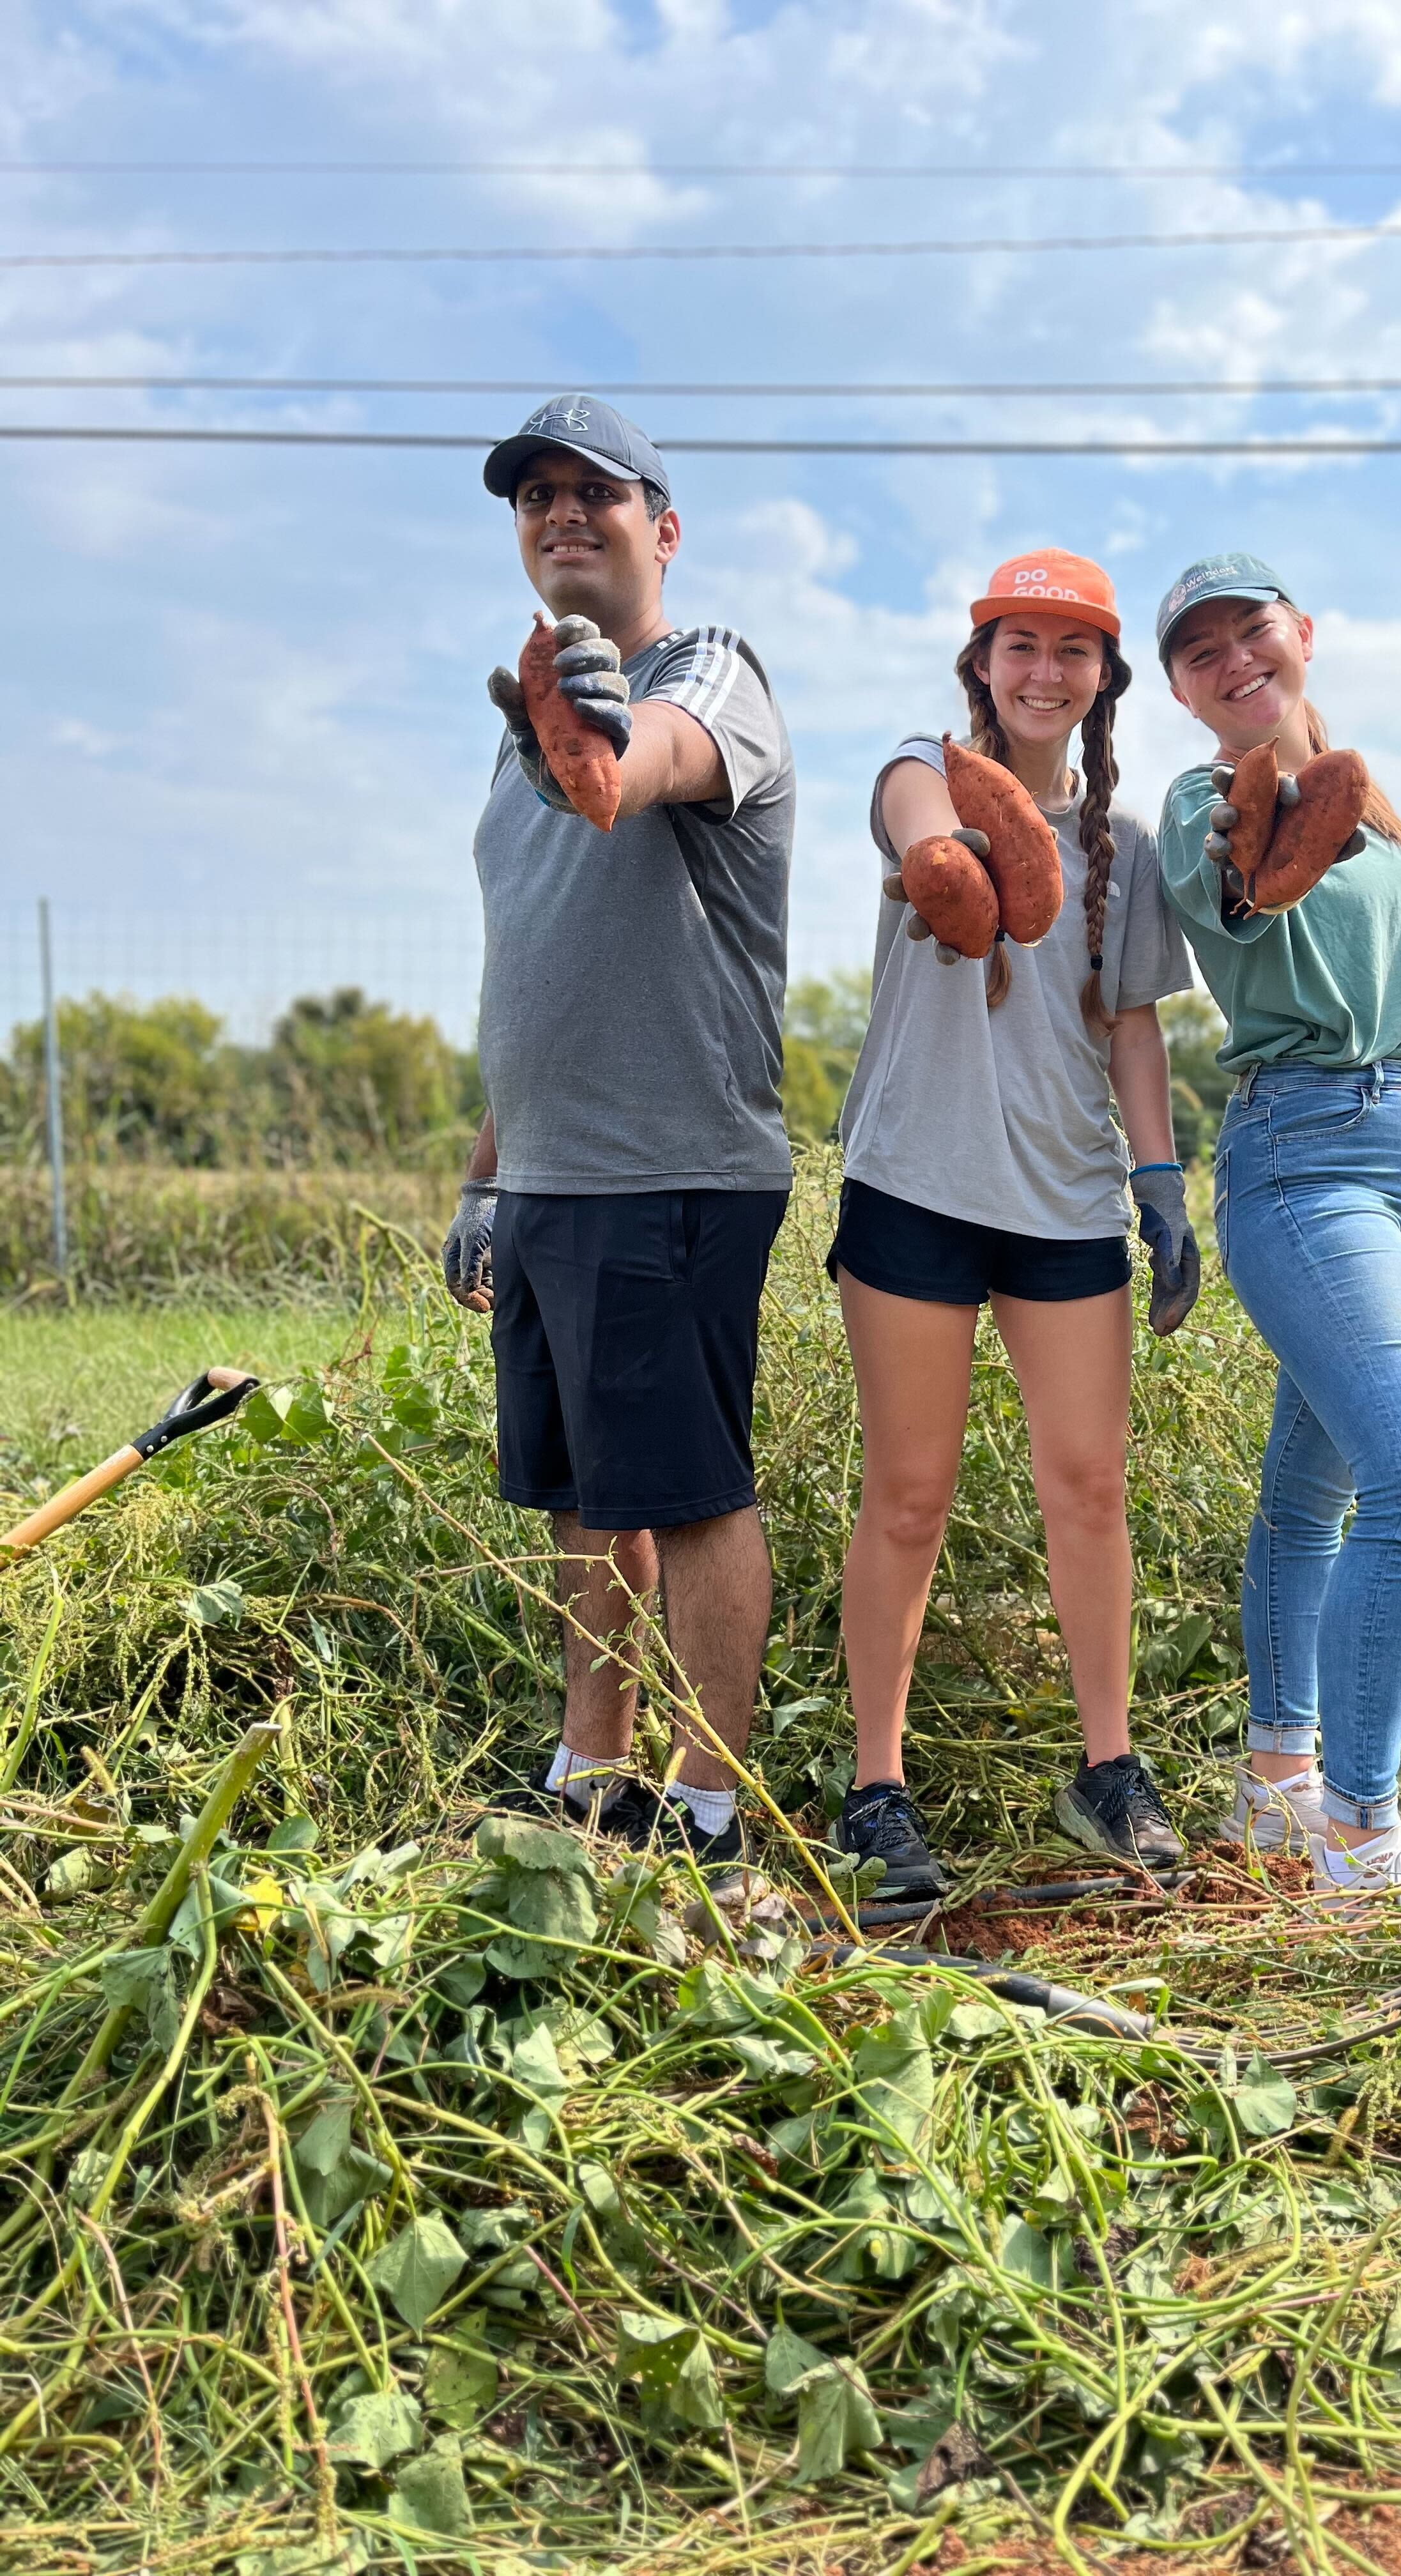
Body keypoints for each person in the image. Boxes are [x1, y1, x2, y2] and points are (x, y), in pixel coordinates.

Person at [441, 394, 795, 1866]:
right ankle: (598, 1772)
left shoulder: (707, 672)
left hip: (675, 1168)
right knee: (589, 1503)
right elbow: (538, 968)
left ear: (664, 524)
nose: (563, 514)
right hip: (552, 1180)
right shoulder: (525, 719)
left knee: (693, 1493)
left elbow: (641, 767)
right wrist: (487, 1174)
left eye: (598, 492)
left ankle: (713, 1807)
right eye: (537, 498)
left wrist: (591, 732)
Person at [827, 549, 1201, 1899]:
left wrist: (1160, 1183)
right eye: (1019, 645)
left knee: (1088, 1487)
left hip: (1063, 1203)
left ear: (1103, 679)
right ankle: (877, 1791)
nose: (1044, 672)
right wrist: (953, 857)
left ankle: (1107, 1770)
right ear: (982, 661)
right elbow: (917, 818)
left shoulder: (1132, 849)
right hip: (916, 1184)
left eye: (1072, 650)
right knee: (910, 1495)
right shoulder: (913, 774)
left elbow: (1134, 1026)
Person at [1154, 553, 1401, 1902]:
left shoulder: (1384, 811)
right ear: (1182, 690)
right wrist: (1265, 827)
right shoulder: (1200, 804)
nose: (1234, 661)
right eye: (1200, 653)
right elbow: (1243, 882)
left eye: (1253, 633)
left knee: (1317, 1486)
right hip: (1306, 1162)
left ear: (1303, 635)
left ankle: (1277, 1783)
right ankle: (1361, 1834)